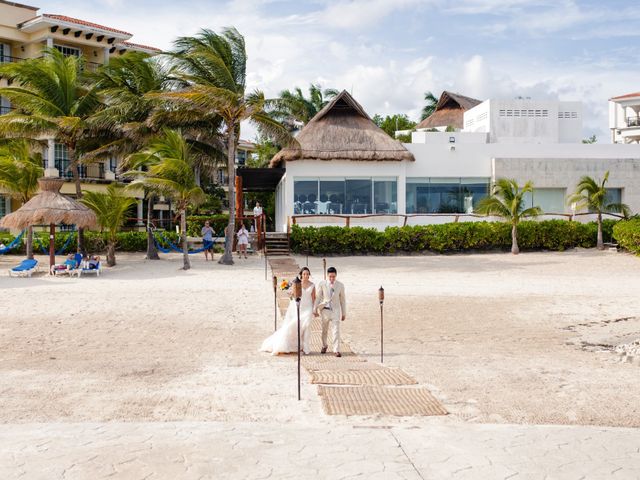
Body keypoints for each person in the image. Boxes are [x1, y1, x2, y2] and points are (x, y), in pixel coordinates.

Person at [261, 267, 317, 355]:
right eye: (304, 274)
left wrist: (314, 309)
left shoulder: (312, 285)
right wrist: (291, 294)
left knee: (307, 326)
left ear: (309, 275)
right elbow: (294, 295)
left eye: (307, 274)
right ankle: (295, 345)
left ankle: (306, 348)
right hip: (299, 307)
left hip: (308, 308)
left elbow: (314, 298)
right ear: (301, 275)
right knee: (295, 326)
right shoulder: (297, 283)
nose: (306, 276)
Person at [315, 266, 346, 357]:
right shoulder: (322, 284)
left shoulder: (340, 285)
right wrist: (315, 309)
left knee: (336, 330)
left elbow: (342, 300)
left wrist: (344, 313)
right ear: (327, 276)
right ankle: (324, 345)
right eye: (330, 277)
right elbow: (318, 297)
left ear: (336, 275)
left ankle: (336, 349)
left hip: (336, 310)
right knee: (324, 330)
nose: (332, 278)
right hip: (325, 310)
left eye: (333, 276)